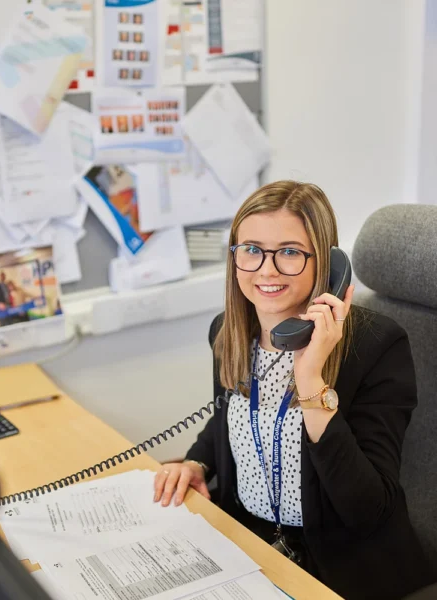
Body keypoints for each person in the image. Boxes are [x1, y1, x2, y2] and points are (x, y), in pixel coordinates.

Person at [153, 181, 436, 600]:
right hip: (248, 548)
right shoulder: (229, 332)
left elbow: (367, 510)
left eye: (289, 252)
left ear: (325, 264)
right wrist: (196, 464)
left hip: (341, 568)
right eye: (251, 250)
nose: (266, 270)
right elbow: (230, 419)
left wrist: (310, 380)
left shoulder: (376, 345)